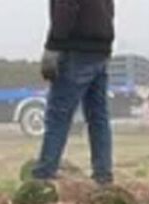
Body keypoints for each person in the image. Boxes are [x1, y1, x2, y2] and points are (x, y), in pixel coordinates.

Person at [33, 0, 115, 184]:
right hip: (100, 50)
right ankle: (103, 174)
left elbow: (66, 6)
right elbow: (109, 9)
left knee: (58, 116)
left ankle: (44, 174)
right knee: (98, 117)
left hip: (76, 50)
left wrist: (52, 46)